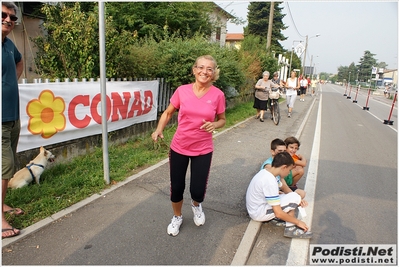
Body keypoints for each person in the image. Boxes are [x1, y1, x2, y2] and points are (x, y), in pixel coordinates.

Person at [151, 55, 226, 236]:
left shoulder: (218, 95)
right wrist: (159, 129)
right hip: (180, 146)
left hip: (203, 148)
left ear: (214, 73)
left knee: (197, 190)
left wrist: (214, 125)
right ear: (194, 70)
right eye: (201, 67)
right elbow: (168, 112)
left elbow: (222, 120)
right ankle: (177, 217)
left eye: (209, 69)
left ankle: (196, 205)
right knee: (177, 188)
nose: (204, 72)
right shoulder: (182, 91)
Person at [246, 152, 313, 238]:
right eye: (289, 170)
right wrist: (298, 222)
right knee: (294, 198)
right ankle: (290, 229)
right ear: (284, 167)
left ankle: (281, 220)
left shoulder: (267, 172)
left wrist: (298, 200)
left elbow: (284, 188)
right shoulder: (270, 181)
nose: (289, 173)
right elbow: (278, 213)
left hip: (257, 207)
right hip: (258, 212)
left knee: (294, 196)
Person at [2, 1, 24, 239]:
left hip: (12, 116)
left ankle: (1, 205)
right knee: (5, 166)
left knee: (6, 166)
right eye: (3, 15)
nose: (8, 20)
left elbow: (19, 62)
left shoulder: (9, 45)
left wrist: (11, 82)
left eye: (12, 17)